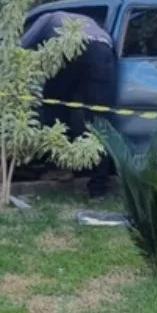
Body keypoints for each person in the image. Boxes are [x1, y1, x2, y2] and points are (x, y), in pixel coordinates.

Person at [20, 11, 117, 198]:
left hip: (72, 47)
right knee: (100, 121)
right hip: (104, 52)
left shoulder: (46, 18)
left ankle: (59, 168)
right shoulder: (90, 21)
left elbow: (21, 48)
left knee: (54, 107)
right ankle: (99, 189)